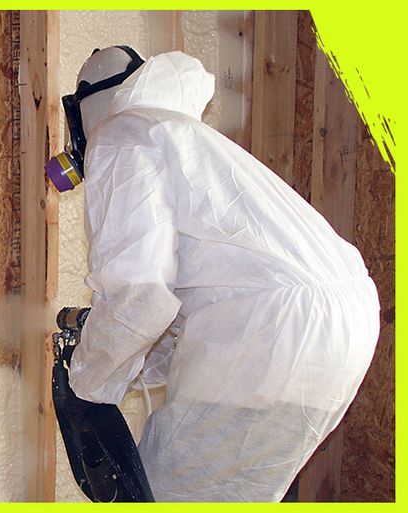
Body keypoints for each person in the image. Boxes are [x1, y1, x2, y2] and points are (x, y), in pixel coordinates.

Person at [46, 46, 380, 502]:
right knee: (230, 493)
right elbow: (176, 318)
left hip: (272, 325)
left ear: (83, 111)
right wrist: (110, 354)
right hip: (342, 323)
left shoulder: (121, 133)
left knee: (173, 494)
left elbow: (139, 294)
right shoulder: (186, 138)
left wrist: (85, 378)